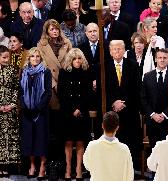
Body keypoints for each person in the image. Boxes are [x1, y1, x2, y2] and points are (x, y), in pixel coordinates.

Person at [37, 19, 72, 172]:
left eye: (56, 29)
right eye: (51, 29)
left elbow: (71, 62)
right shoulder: (41, 46)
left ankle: (64, 163)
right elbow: (42, 66)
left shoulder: (67, 43)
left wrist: (62, 83)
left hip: (66, 87)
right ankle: (52, 162)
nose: (54, 31)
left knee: (64, 127)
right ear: (47, 31)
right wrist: (53, 84)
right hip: (49, 89)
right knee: (52, 128)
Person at [104, 40, 142, 170]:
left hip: (129, 110)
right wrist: (113, 103)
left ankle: (129, 169)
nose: (117, 51)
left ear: (124, 50)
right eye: (114, 49)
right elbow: (102, 90)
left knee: (129, 142)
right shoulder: (104, 67)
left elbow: (137, 88)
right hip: (111, 112)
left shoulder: (133, 65)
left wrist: (123, 103)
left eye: (120, 49)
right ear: (110, 51)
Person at [57, 48, 92, 180]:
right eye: (74, 59)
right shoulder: (64, 73)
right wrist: (72, 109)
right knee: (68, 141)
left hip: (81, 112)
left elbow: (88, 93)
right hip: (67, 112)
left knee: (80, 141)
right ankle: (68, 169)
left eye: (79, 58)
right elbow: (61, 93)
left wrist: (79, 109)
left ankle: (78, 169)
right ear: (70, 60)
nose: (77, 61)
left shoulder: (86, 73)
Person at [20, 47, 52, 180]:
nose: (35, 59)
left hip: (41, 111)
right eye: (33, 56)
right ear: (29, 58)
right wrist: (25, 107)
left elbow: (48, 93)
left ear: (41, 58)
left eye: (38, 56)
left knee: (41, 139)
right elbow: (21, 92)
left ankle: (43, 166)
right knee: (29, 139)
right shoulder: (24, 72)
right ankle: (32, 165)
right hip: (27, 111)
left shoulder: (46, 72)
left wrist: (38, 107)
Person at [141, 49, 168, 148]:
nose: (162, 60)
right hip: (152, 121)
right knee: (153, 149)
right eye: (159, 58)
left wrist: (164, 114)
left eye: (164, 58)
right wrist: (153, 114)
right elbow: (143, 98)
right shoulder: (147, 77)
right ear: (155, 59)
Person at [83, 111, 134, 181]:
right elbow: (129, 174)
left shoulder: (92, 146)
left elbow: (87, 166)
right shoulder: (124, 149)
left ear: (102, 125)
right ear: (117, 128)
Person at [0, 45, 20, 177]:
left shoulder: (12, 70)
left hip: (9, 110)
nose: (7, 60)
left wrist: (12, 105)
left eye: (8, 57)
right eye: (4, 57)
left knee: (8, 138)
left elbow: (15, 89)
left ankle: (6, 166)